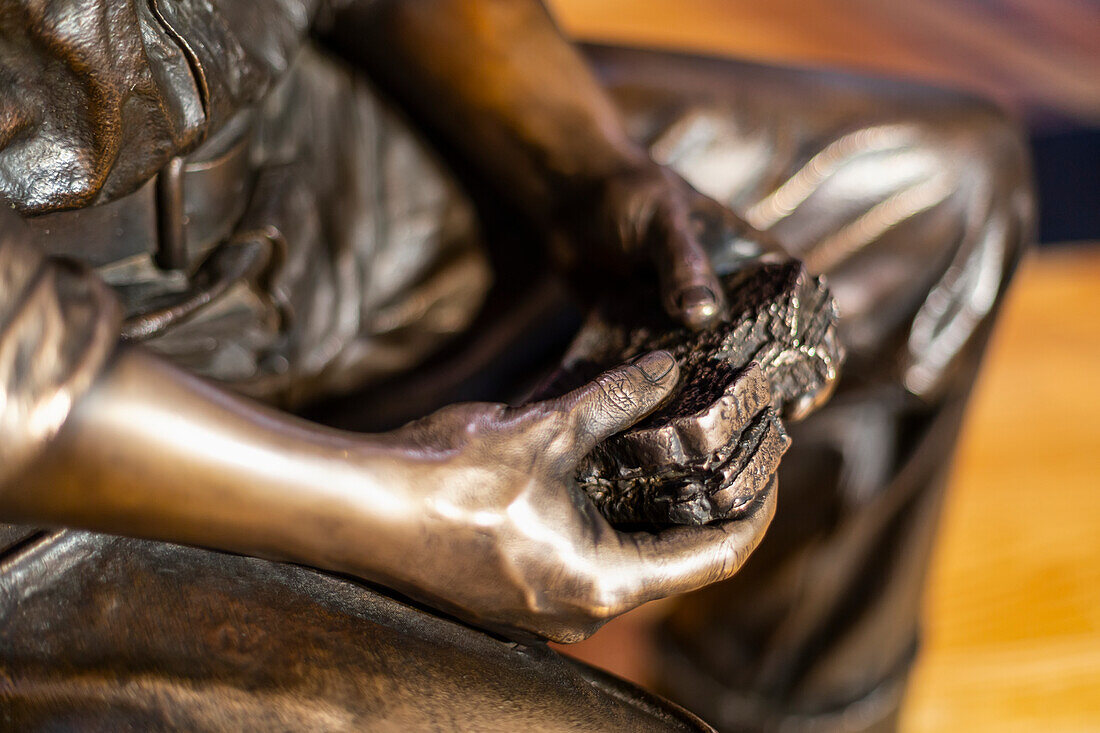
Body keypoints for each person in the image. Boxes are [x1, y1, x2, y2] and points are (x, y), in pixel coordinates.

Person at [0, 1, 1032, 730]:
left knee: (935, 198)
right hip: (46, 457)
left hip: (303, 174)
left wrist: (583, 163)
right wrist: (387, 510)